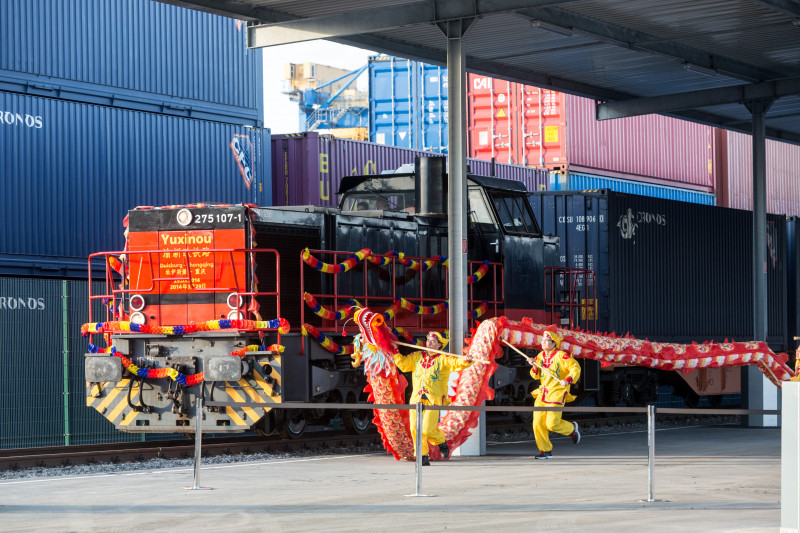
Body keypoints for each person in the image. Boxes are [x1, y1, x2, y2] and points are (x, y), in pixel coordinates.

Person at [394, 331, 472, 465]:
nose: (429, 343)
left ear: (439, 345)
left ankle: (441, 441)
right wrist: (395, 351)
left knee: (427, 429)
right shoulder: (417, 356)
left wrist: (467, 360)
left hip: (433, 400)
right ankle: (422, 455)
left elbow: (457, 363)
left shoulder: (443, 359)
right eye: (428, 340)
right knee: (414, 427)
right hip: (416, 399)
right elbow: (404, 365)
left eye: (433, 341)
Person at [527, 325, 581, 459]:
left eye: (546, 341)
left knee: (551, 424)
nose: (543, 342)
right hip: (542, 394)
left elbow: (575, 367)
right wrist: (534, 365)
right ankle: (545, 451)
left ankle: (571, 429)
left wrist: (568, 379)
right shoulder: (540, 356)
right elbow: (536, 376)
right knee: (537, 424)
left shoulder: (561, 356)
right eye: (543, 340)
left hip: (556, 393)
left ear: (553, 343)